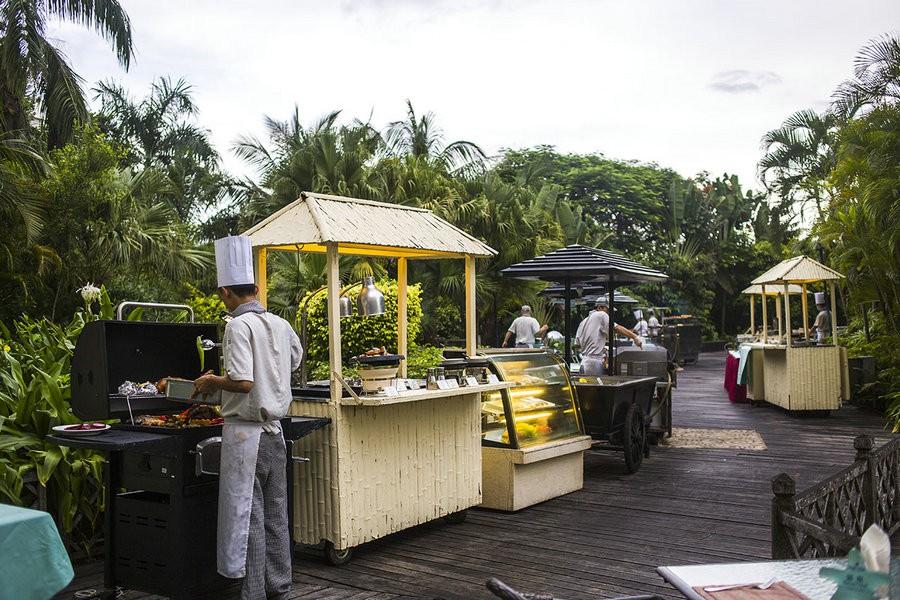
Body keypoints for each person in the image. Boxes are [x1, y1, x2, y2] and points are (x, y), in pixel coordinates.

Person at [193, 235, 303, 600]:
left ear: (225, 293)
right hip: (275, 432)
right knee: (275, 516)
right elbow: (295, 361)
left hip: (245, 436)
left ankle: (253, 594)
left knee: (250, 518)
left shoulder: (237, 327)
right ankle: (280, 588)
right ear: (255, 288)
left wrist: (211, 381)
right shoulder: (281, 324)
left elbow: (242, 382)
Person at [575, 298, 643, 376]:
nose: (608, 314)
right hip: (594, 363)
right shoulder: (601, 314)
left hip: (584, 362)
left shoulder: (583, 321)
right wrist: (635, 337)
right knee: (597, 387)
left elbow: (578, 345)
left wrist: (599, 348)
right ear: (599, 307)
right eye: (608, 310)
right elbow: (616, 327)